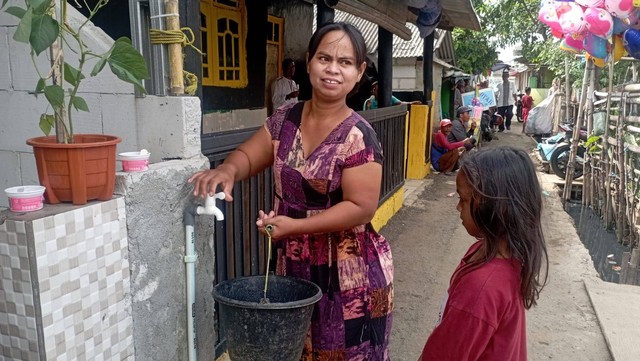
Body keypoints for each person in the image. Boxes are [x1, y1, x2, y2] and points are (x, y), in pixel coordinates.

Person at [189, 22, 393, 360]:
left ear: (358, 73)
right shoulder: (285, 119)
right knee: (295, 350)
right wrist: (227, 170)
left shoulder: (359, 135)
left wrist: (295, 226)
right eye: (324, 58)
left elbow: (361, 207)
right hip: (293, 264)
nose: (332, 69)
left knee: (343, 352)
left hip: (347, 271)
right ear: (309, 62)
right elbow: (247, 155)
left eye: (345, 62)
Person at [419, 146, 548, 361]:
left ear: (493, 205)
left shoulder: (481, 288)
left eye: (464, 199)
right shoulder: (491, 252)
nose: (458, 207)